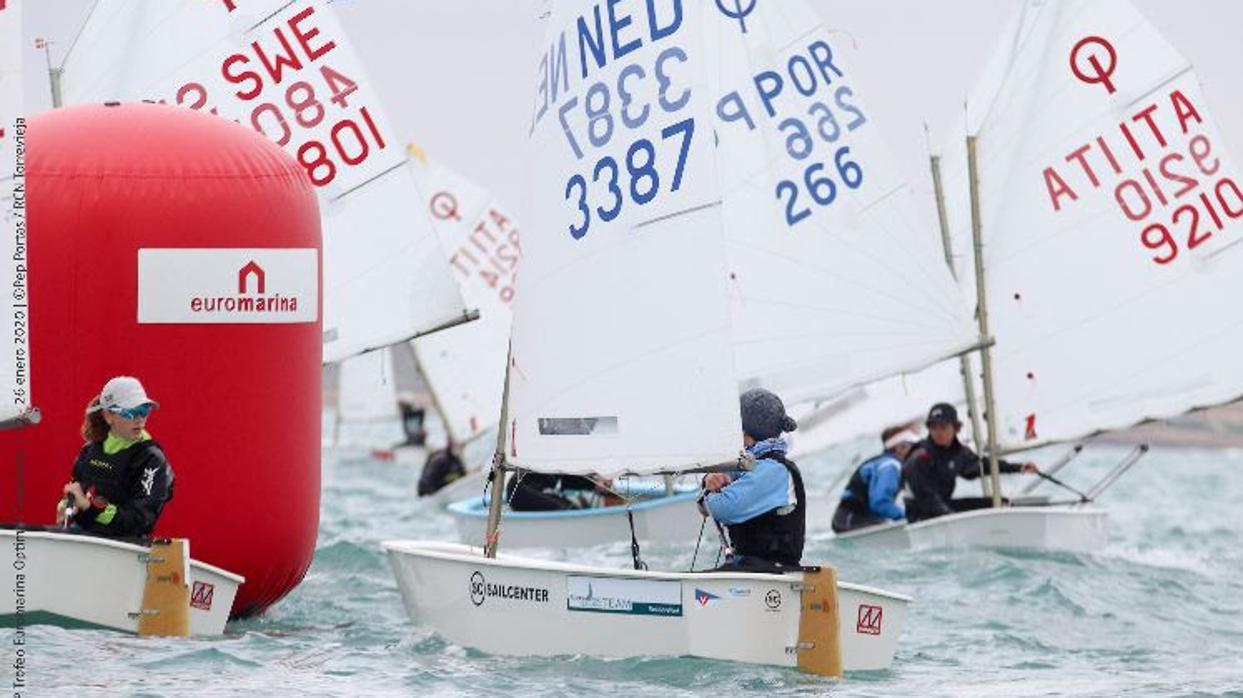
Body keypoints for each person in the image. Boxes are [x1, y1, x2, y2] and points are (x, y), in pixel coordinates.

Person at [56, 376, 174, 538]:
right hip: (83, 541)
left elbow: (140, 521)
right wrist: (67, 505)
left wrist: (91, 507)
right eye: (131, 412)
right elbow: (77, 492)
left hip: (124, 549)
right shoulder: (89, 451)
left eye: (144, 410)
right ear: (108, 416)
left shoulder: (152, 459)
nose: (140, 419)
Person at [701, 388, 804, 573]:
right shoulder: (749, 465)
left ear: (745, 431)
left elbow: (722, 508)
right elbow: (703, 506)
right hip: (749, 570)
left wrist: (710, 491)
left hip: (770, 575)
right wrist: (709, 480)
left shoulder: (774, 470)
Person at [901, 402, 1038, 523]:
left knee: (1001, 503)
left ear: (955, 428)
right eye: (933, 427)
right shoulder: (920, 456)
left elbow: (982, 466)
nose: (938, 432)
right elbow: (925, 496)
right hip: (921, 515)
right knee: (946, 511)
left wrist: (1019, 467)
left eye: (943, 426)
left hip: (944, 508)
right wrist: (951, 516)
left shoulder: (959, 452)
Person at [831, 425, 922, 533]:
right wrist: (908, 517)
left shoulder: (887, 462)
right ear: (899, 448)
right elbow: (880, 503)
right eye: (913, 447)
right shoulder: (891, 466)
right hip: (850, 520)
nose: (917, 452)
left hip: (856, 519)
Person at [505, 470, 610, 511]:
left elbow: (565, 480)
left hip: (532, 489)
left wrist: (594, 485)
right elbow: (566, 477)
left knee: (572, 507)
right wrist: (594, 484)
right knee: (570, 510)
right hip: (521, 490)